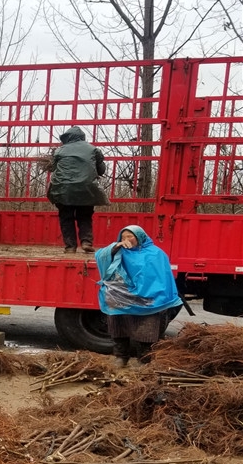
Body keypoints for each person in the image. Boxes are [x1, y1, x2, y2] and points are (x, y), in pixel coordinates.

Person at [95, 225, 182, 367]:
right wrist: (116, 246)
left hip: (147, 299)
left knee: (146, 331)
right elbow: (101, 256)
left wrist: (146, 293)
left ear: (140, 237)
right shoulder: (118, 251)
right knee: (118, 326)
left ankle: (145, 360)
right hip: (121, 297)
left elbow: (161, 278)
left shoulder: (156, 254)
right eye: (123, 237)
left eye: (130, 236)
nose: (126, 240)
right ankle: (121, 357)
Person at [47, 125, 109, 254]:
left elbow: (53, 168)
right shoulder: (93, 149)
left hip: (63, 189)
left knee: (66, 217)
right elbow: (101, 169)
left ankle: (70, 246)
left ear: (67, 138)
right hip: (86, 189)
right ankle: (86, 242)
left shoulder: (59, 151)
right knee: (85, 216)